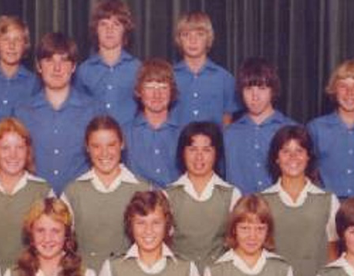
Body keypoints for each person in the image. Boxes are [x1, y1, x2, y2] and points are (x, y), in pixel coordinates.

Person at [61, 115, 152, 273]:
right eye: (96, 146)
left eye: (111, 145)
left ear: (122, 144)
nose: (104, 153)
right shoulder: (72, 192)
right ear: (87, 147)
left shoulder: (143, 189)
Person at [14, 32, 100, 194]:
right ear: (39, 66)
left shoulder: (93, 110)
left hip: (80, 202)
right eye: (49, 60)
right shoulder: (22, 112)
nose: (57, 68)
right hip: (35, 203)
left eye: (64, 60)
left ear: (74, 66)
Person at [260, 125, 339, 276]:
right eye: (286, 151)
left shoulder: (328, 200)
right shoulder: (262, 201)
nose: (293, 157)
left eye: (299, 151)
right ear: (276, 157)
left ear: (308, 156)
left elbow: (332, 253)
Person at [0, 118, 53, 271]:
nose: (13, 155)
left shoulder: (43, 191)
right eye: (5, 148)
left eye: (19, 147)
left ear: (28, 151)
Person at [161, 122, 240, 272]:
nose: (199, 156)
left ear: (216, 153)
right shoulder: (169, 195)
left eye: (206, 150)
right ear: (182, 153)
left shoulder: (231, 195)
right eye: (192, 149)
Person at [304, 60, 354, 199]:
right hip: (327, 207)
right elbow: (306, 171)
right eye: (343, 86)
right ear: (334, 89)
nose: (349, 92)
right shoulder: (316, 128)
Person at [223, 58, 297, 194]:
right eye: (248, 88)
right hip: (241, 211)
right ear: (241, 92)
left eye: (262, 88)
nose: (254, 96)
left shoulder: (292, 130)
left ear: (273, 91)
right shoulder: (229, 134)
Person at [74, 0, 141, 126]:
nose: (109, 30)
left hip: (129, 140)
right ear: (96, 30)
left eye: (116, 24)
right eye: (103, 24)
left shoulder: (138, 69)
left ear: (125, 30)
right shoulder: (84, 70)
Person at [123, 58, 183, 189]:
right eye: (150, 87)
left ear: (172, 92)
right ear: (139, 91)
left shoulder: (184, 133)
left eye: (163, 87)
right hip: (136, 205)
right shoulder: (124, 133)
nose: (157, 94)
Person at [171, 11, 237, 127]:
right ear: (179, 39)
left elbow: (227, 122)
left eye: (200, 34)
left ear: (208, 38)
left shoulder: (224, 78)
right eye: (186, 35)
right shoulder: (169, 76)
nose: (193, 40)